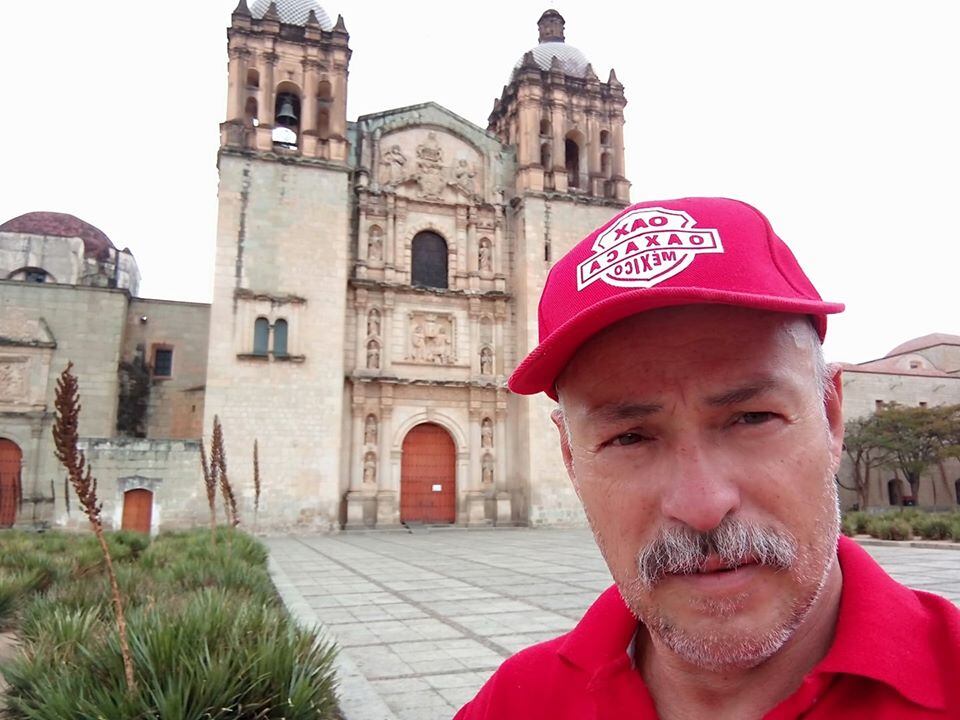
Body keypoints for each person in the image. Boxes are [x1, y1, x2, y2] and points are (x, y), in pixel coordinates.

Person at [455, 197, 960, 719]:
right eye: (629, 438)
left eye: (752, 418)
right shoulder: (515, 703)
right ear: (569, 457)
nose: (703, 504)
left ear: (832, 418)